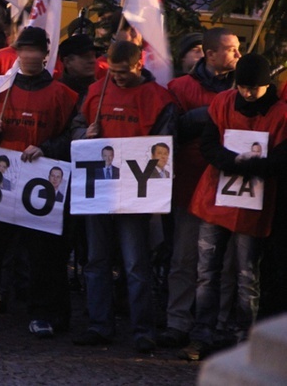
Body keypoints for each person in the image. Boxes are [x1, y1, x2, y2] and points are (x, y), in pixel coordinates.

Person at [0, 27, 78, 337]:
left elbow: (72, 136)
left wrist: (47, 148)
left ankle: (40, 312)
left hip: (40, 180)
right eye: (23, 49)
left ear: (45, 54)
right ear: (16, 52)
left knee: (41, 253)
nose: (29, 56)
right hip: (1, 181)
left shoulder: (63, 95)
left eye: (35, 50)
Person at [181, 54, 287, 361]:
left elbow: (282, 160)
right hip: (215, 201)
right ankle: (201, 336)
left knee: (246, 277)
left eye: (254, 88)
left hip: (253, 207)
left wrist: (255, 166)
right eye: (243, 87)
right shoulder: (222, 103)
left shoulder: (281, 114)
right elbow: (208, 145)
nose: (248, 94)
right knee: (207, 273)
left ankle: (244, 341)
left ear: (267, 85)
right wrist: (234, 162)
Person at [73, 40, 177, 353]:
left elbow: (166, 147)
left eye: (122, 72)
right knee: (96, 260)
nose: (116, 78)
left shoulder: (159, 98)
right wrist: (84, 135)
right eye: (112, 72)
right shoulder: (96, 91)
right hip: (100, 189)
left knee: (135, 263)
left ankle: (143, 330)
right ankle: (100, 325)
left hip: (135, 193)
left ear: (138, 64)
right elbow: (77, 127)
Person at [159, 27, 240, 349]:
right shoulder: (179, 88)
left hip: (231, 188)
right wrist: (195, 119)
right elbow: (166, 135)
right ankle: (178, 320)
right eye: (231, 49)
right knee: (184, 258)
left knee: (227, 263)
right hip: (191, 185)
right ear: (210, 54)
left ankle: (218, 325)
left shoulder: (245, 90)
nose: (238, 55)